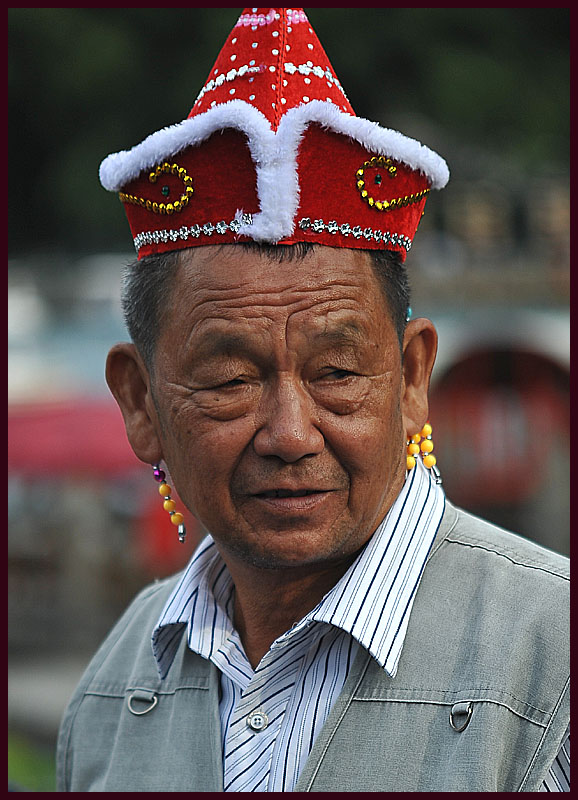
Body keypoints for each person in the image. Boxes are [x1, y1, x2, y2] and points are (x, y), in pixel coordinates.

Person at [56, 7, 569, 792]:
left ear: (411, 379)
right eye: (230, 381)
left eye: (336, 374)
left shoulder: (553, 660)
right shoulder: (112, 689)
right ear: (140, 402)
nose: (291, 434)